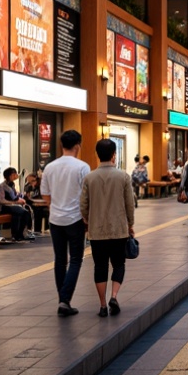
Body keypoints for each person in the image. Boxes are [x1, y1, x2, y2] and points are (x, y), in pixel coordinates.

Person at [80, 138, 134, 317]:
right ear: (113, 155)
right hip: (118, 229)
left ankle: (102, 305)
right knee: (119, 264)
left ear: (97, 154)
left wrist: (88, 221)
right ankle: (114, 296)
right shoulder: (123, 176)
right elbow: (129, 204)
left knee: (100, 266)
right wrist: (130, 224)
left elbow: (83, 205)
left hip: (97, 232)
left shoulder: (89, 177)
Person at [41, 129, 89, 317]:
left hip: (55, 220)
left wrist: (54, 206)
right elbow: (86, 195)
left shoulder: (50, 167)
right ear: (78, 145)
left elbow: (45, 194)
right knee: (76, 259)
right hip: (75, 219)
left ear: (61, 145)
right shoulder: (82, 167)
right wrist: (87, 217)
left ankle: (62, 299)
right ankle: (65, 299)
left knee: (60, 260)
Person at [0, 167, 34, 242]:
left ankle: (19, 234)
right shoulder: (2, 186)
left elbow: (15, 196)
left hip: (12, 206)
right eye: (14, 174)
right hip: (3, 207)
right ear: (9, 175)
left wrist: (22, 196)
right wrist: (15, 202)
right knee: (20, 211)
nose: (16, 175)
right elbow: (1, 200)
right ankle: (17, 235)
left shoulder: (12, 185)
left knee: (21, 213)